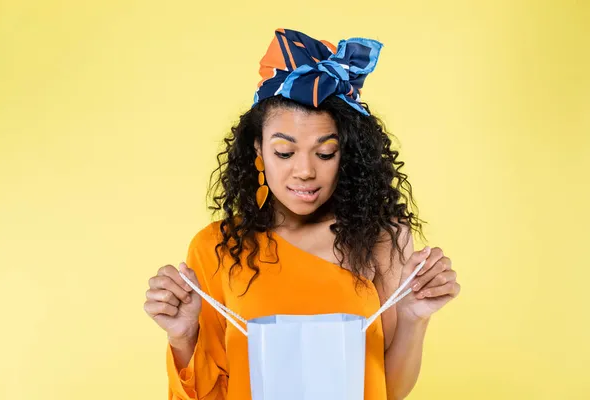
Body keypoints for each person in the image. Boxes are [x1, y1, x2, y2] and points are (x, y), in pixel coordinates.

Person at [144, 28, 461, 400]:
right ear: (258, 151)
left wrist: (413, 318)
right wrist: (183, 337)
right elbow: (209, 392)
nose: (305, 171)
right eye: (284, 152)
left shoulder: (379, 238)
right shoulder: (216, 246)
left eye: (325, 153)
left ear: (347, 155)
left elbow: (386, 390)